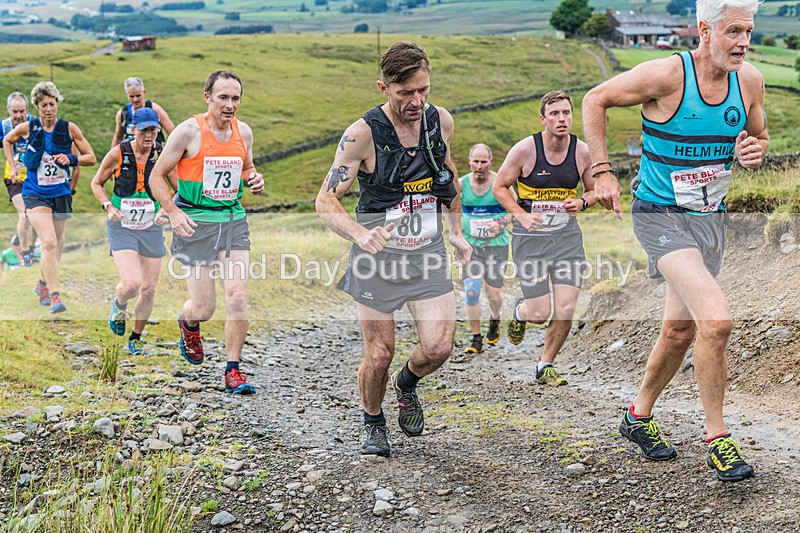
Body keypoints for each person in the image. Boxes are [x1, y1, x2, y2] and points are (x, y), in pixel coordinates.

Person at [582, 0, 767, 482]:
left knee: (679, 332)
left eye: (748, 31)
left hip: (710, 219)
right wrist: (601, 172)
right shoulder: (667, 75)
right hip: (660, 215)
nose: (743, 42)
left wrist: (753, 150)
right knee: (717, 321)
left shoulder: (748, 82)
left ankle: (636, 416)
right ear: (704, 30)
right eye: (733, 32)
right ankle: (718, 438)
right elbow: (594, 99)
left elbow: (758, 135)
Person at [315, 42, 471, 458]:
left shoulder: (441, 122)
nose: (416, 101)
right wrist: (359, 234)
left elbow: (448, 179)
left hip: (427, 251)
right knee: (379, 353)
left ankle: (407, 383)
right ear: (384, 88)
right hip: (376, 257)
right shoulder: (361, 135)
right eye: (406, 93)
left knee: (439, 347)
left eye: (423, 90)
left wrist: (455, 232)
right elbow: (326, 200)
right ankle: (372, 422)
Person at [149, 70, 264, 395]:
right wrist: (172, 211)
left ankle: (233, 370)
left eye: (236, 98)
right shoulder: (187, 132)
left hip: (232, 221)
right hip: (194, 224)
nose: (230, 105)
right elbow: (157, 176)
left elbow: (247, 168)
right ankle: (189, 323)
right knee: (204, 307)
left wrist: (255, 179)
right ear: (208, 97)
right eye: (223, 97)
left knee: (238, 296)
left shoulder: (244, 132)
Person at [493, 90, 595, 387]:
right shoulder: (525, 150)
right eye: (555, 114)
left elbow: (591, 191)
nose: (562, 119)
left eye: (566, 113)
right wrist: (521, 216)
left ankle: (545, 364)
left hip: (566, 238)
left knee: (566, 307)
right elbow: (500, 187)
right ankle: (521, 312)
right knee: (540, 313)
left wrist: (583, 203)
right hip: (531, 239)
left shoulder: (582, 152)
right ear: (543, 119)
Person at [3, 81, 96, 313]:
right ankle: (55, 296)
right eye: (43, 105)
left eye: (52, 104)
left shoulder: (69, 128)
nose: (48, 109)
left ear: (57, 104)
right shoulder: (28, 127)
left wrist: (71, 159)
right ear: (37, 105)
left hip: (61, 193)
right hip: (35, 194)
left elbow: (91, 157)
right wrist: (13, 167)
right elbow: (7, 140)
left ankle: (43, 284)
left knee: (57, 245)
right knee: (49, 242)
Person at [91, 107, 178, 355]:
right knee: (131, 284)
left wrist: (166, 209)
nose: (149, 135)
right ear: (133, 130)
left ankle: (136, 336)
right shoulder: (118, 154)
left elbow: (179, 188)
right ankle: (119, 304)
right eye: (144, 130)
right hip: (122, 226)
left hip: (151, 227)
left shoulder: (163, 155)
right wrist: (107, 206)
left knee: (149, 288)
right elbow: (96, 183)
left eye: (154, 130)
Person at [459, 143, 512, 354]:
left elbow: (514, 210)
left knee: (493, 295)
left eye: (483, 162)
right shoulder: (461, 184)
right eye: (476, 161)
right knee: (471, 291)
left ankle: (495, 318)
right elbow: (451, 210)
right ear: (470, 162)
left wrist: (500, 223)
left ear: (491, 162)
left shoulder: (501, 182)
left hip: (497, 244)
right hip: (470, 244)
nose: (479, 166)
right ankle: (475, 339)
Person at [1, 92, 36, 266]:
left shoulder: (35, 124)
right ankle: (26, 253)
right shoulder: (4, 127)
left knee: (36, 217)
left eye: (22, 111)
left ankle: (25, 244)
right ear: (8, 110)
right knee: (25, 214)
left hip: (35, 178)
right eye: (14, 111)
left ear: (27, 110)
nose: (18, 116)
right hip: (14, 179)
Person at [112, 77, 175, 148]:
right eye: (131, 96)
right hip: (131, 154)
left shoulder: (155, 109)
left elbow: (173, 133)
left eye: (138, 95)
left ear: (144, 92)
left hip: (153, 154)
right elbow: (118, 137)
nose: (135, 99)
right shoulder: (123, 113)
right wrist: (113, 155)